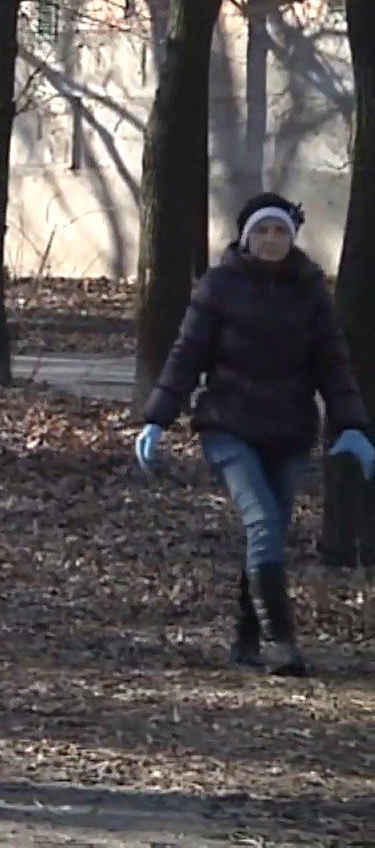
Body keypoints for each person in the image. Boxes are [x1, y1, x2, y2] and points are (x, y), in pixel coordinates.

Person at [136, 192, 375, 677]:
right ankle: (281, 643)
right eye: (262, 231)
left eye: (280, 231)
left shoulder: (310, 292)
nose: (271, 240)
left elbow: (333, 365)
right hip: (229, 427)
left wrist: (352, 425)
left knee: (267, 533)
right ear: (246, 237)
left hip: (289, 432)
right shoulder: (219, 286)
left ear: (292, 238)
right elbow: (187, 356)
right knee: (262, 523)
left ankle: (245, 640)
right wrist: (157, 418)